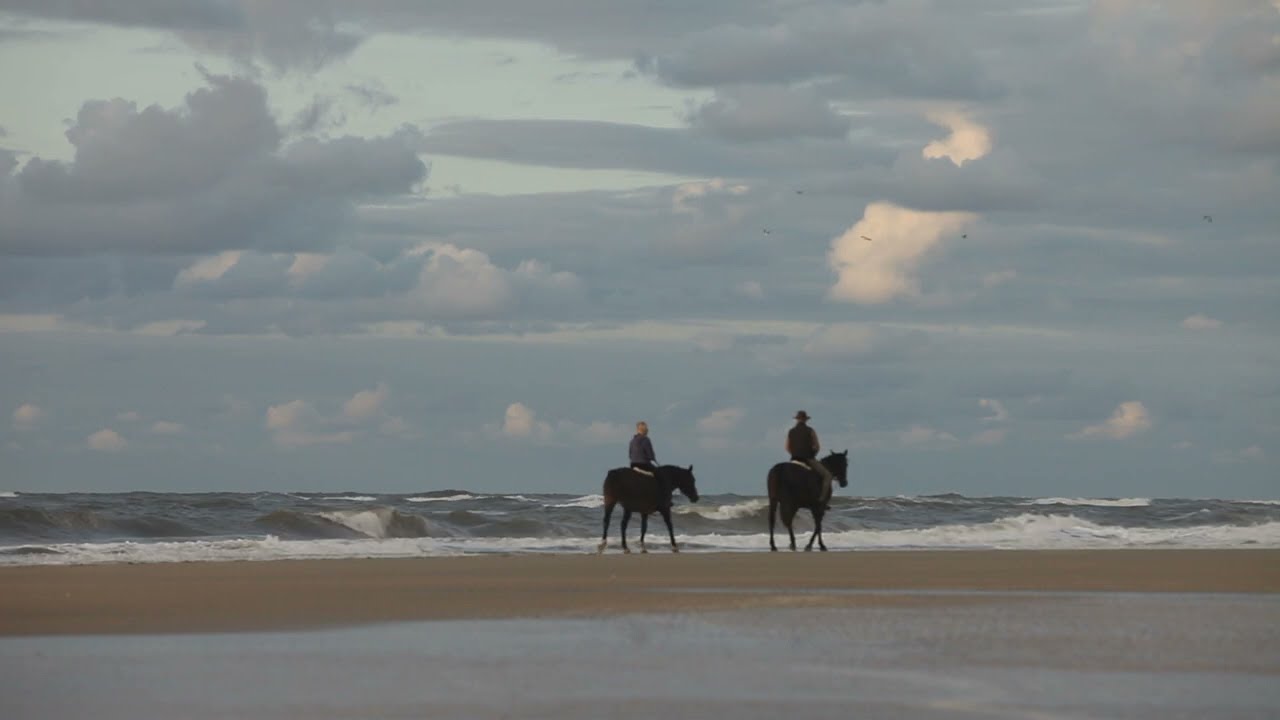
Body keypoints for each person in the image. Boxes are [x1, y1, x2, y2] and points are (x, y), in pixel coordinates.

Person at [786, 410, 835, 506]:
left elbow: (787, 447)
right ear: (805, 420)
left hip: (794, 459)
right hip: (808, 458)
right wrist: (813, 455)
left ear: (797, 419)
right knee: (828, 475)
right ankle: (822, 500)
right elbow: (817, 447)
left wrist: (795, 454)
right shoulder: (810, 430)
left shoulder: (791, 431)